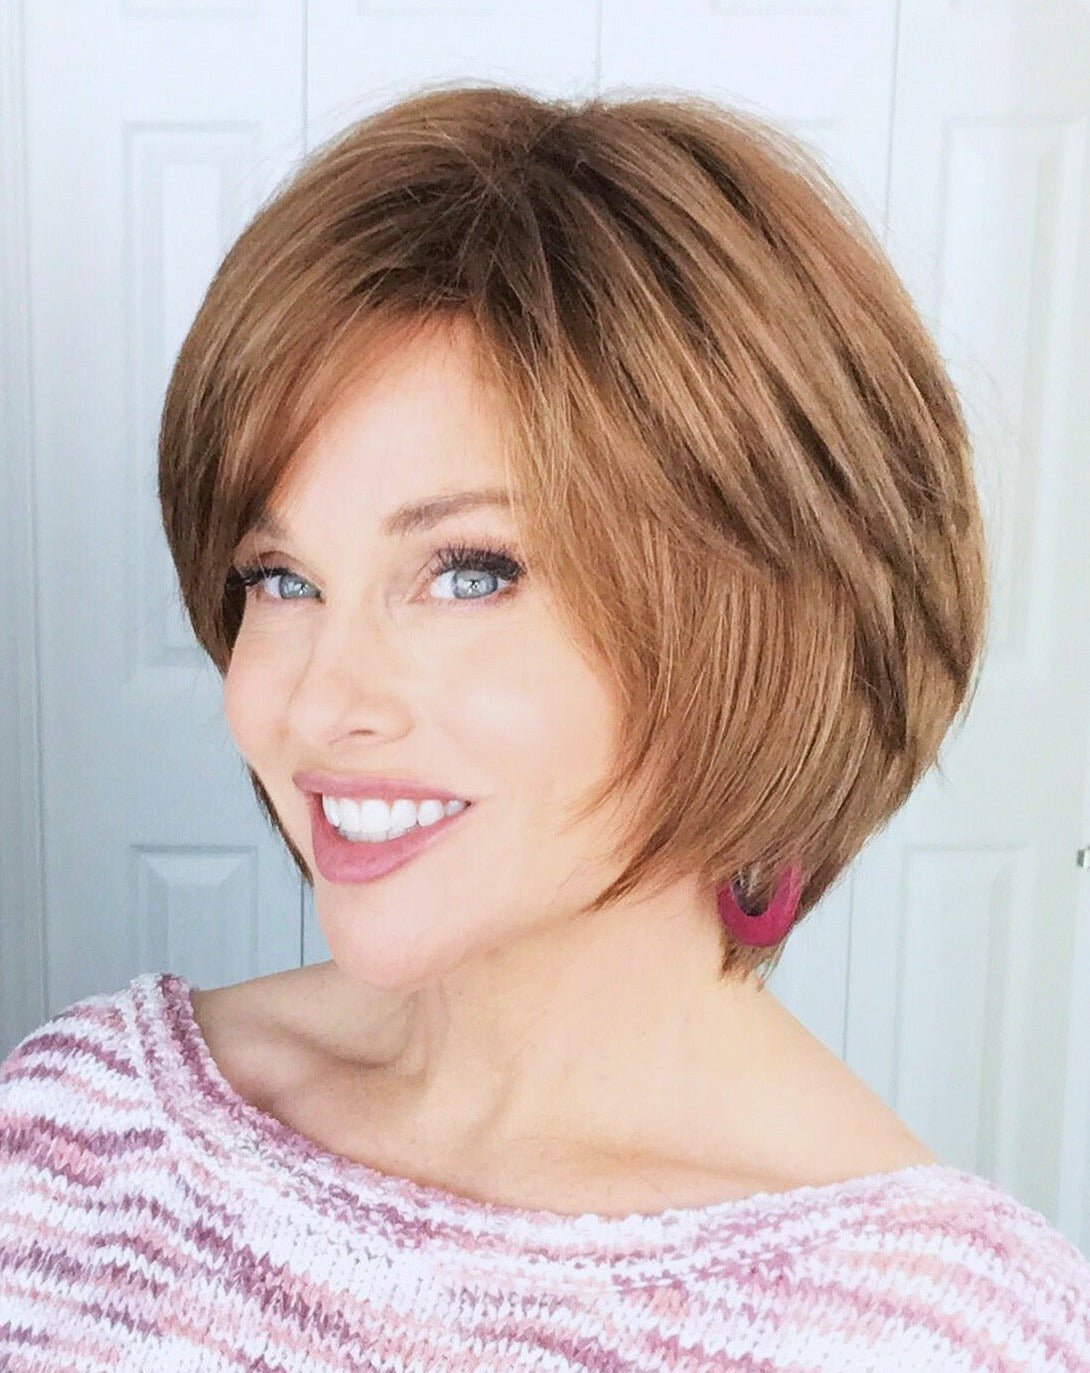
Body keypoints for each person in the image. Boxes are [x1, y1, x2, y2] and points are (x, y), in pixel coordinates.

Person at [2, 82, 1087, 1371]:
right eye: (279, 579)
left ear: (765, 619)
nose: (321, 700)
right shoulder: (78, 1133)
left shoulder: (938, 1335)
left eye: (469, 573)